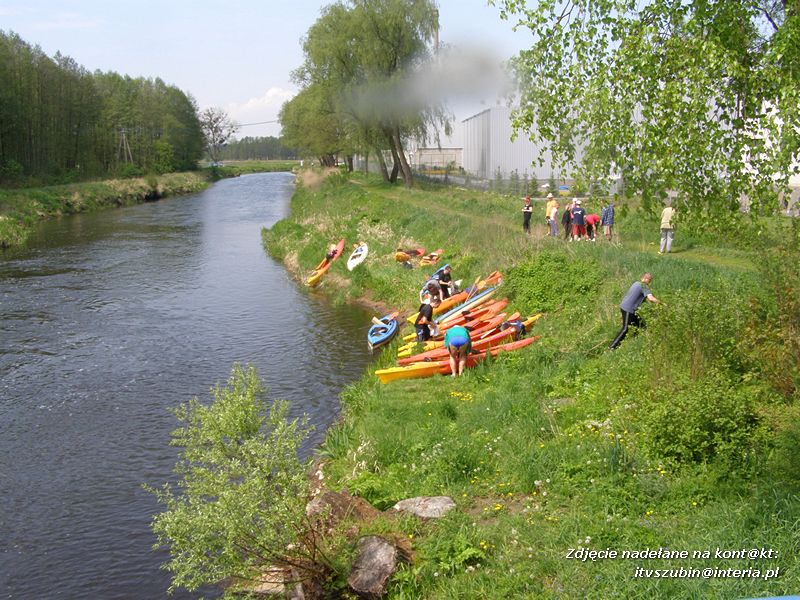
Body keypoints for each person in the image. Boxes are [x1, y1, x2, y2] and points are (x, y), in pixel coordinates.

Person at [609, 273, 661, 349]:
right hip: (629, 309)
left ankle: (634, 342)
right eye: (650, 281)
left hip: (624, 307)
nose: (649, 283)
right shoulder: (644, 286)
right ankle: (612, 347)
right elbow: (651, 298)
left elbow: (635, 297)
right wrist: (661, 303)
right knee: (625, 328)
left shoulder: (636, 283)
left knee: (641, 326)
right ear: (647, 279)